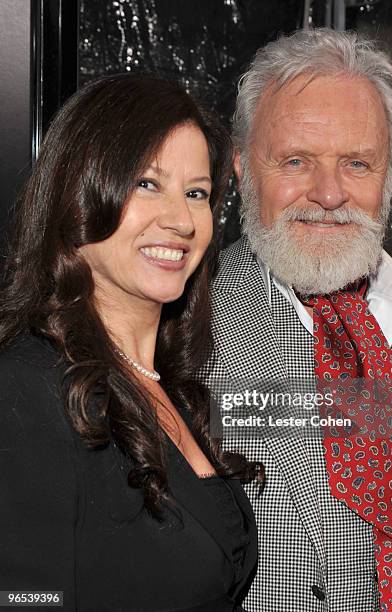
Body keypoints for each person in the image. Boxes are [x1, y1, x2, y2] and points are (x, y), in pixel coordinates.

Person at [199, 28, 392, 611]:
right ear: (242, 165)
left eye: (357, 163)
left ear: (389, 174)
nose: (328, 193)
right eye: (296, 160)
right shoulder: (183, 332)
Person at [0, 74, 260, 612]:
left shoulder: (176, 386)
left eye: (196, 193)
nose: (180, 220)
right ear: (76, 191)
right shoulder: (25, 388)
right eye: (146, 184)